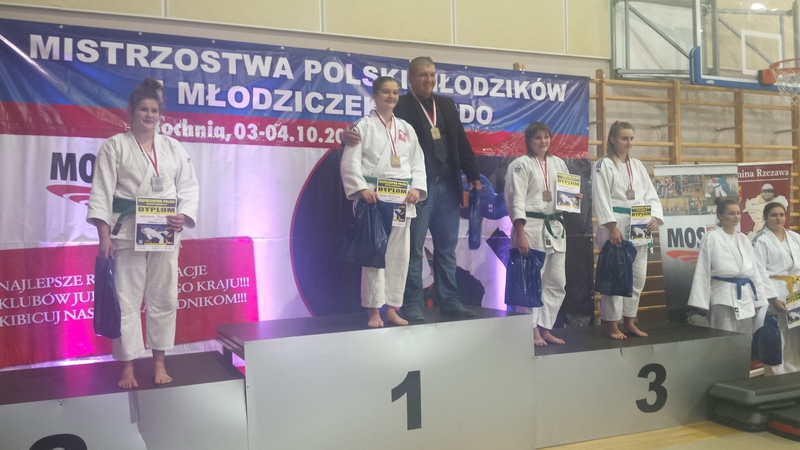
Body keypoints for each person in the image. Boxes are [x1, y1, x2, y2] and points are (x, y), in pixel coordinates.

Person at [344, 57, 481, 321]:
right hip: (396, 195)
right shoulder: (393, 110)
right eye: (423, 75)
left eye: (432, 74)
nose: (428, 79)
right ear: (411, 79)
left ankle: (446, 301)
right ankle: (408, 304)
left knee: (436, 250)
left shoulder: (442, 107)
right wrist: (346, 141)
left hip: (432, 191)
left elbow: (455, 144)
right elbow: (359, 145)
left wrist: (471, 174)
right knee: (405, 251)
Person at [87, 78, 199, 388]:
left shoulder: (173, 147)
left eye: (155, 110)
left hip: (164, 233)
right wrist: (104, 236)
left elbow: (189, 187)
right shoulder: (114, 146)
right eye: (144, 109)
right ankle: (128, 367)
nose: (150, 115)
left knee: (164, 297)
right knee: (126, 300)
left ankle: (159, 362)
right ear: (131, 111)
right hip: (126, 233)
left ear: (160, 114)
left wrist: (184, 215)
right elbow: (101, 192)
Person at [340, 76, 427, 328]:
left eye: (395, 92)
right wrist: (360, 188)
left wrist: (417, 188)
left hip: (401, 201)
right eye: (386, 92)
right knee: (374, 255)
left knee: (399, 256)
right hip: (374, 200)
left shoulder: (406, 128)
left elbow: (417, 162)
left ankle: (392, 308)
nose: (391, 97)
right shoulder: (363, 126)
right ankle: (373, 311)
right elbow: (350, 161)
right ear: (374, 96)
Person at [504, 122, 582, 346]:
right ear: (529, 140)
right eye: (537, 137)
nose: (543, 141)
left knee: (557, 282)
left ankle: (545, 327)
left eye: (546, 137)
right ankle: (531, 330)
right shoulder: (520, 165)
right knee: (531, 282)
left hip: (555, 228)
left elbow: (564, 197)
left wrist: (573, 199)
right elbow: (516, 200)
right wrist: (520, 233)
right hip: (530, 228)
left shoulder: (559, 163)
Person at [592, 121, 663, 339]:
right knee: (615, 275)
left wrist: (654, 217)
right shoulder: (604, 165)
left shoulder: (638, 165)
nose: (629, 142)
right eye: (624, 138)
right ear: (613, 139)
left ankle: (630, 321)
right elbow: (601, 197)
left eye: (631, 138)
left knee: (638, 277)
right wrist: (611, 226)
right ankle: (611, 324)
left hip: (639, 223)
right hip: (616, 223)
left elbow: (650, 194)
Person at [687, 198, 770, 333]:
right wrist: (701, 302)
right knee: (723, 335)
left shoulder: (743, 238)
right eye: (731, 214)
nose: (736, 217)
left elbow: (754, 271)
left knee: (745, 337)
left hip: (746, 294)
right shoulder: (711, 237)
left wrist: (758, 300)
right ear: (720, 215)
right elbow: (703, 270)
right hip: (722, 294)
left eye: (738, 213)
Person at [752, 202, 800, 374]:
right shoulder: (760, 240)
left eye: (781, 214)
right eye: (774, 215)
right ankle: (775, 376)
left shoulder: (794, 237)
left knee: (795, 336)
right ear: (765, 217)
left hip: (795, 292)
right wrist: (773, 298)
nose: (778, 218)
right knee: (776, 337)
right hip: (775, 292)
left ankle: (794, 374)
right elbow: (759, 272)